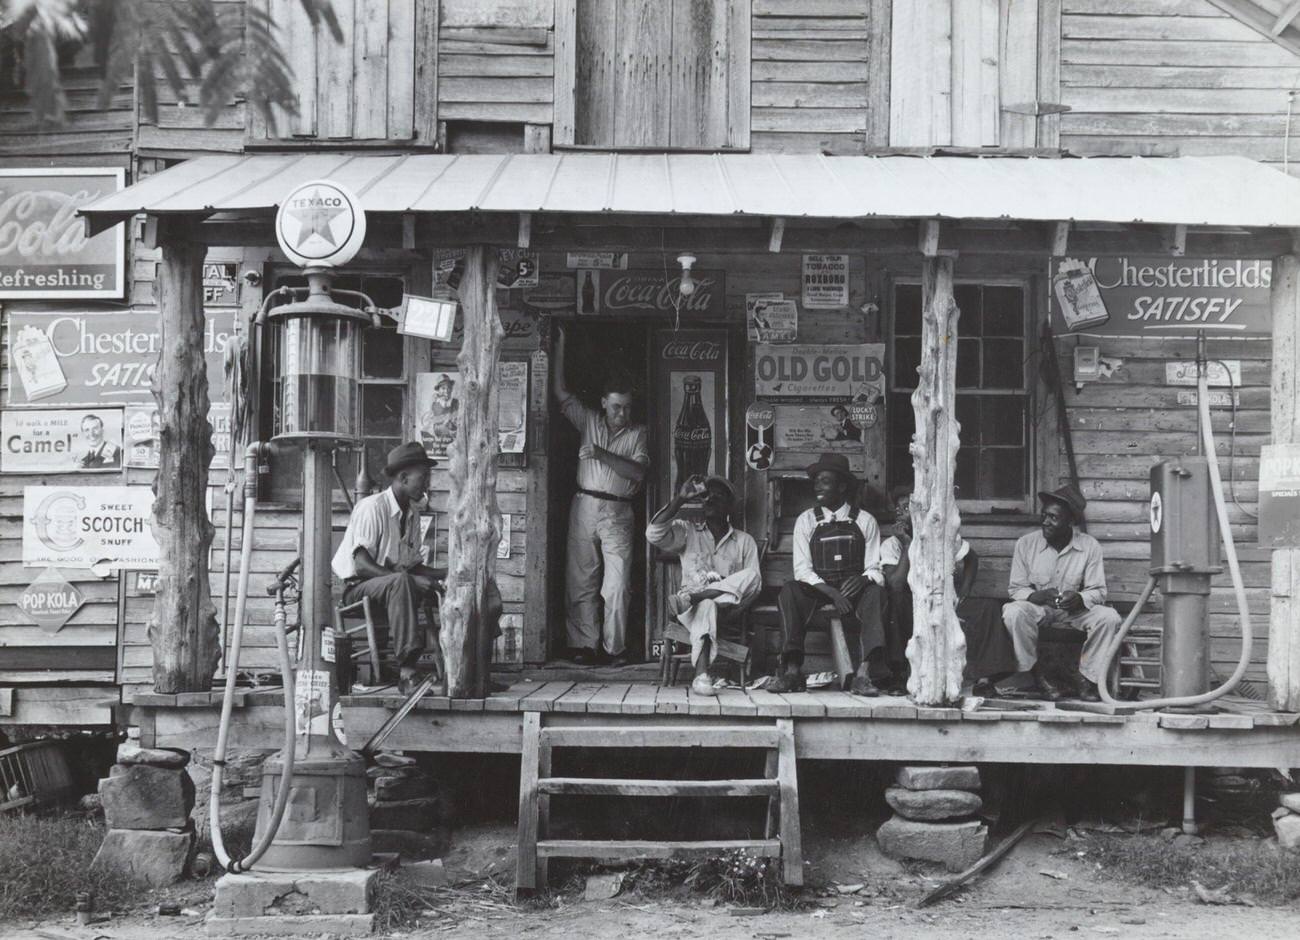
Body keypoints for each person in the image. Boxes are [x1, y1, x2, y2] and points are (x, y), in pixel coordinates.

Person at [332, 442, 502, 695]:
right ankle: (407, 673)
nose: (427, 483)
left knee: (471, 585)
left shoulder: (410, 513)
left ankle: (473, 672)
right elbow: (362, 565)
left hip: (392, 586)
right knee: (402, 581)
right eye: (423, 477)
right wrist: (408, 580)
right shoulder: (372, 507)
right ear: (403, 477)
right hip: (357, 589)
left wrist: (454, 572)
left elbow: (413, 566)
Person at [552, 325, 650, 666]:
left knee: (618, 583)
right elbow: (561, 392)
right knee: (580, 580)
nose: (621, 414)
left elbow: (637, 472)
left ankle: (615, 649)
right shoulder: (590, 420)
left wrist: (600, 454)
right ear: (604, 403)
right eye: (616, 407)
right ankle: (584, 645)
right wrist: (562, 342)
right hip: (584, 504)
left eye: (627, 408)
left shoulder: (638, 434)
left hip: (618, 510)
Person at [770, 453, 886, 695]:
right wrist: (832, 593)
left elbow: (875, 567)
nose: (817, 486)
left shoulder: (865, 521)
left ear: (842, 486)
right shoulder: (807, 520)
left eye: (825, 481)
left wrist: (863, 579)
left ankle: (863, 675)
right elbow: (802, 570)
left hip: (852, 592)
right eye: (816, 481)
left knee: (875, 593)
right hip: (820, 591)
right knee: (789, 591)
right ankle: (792, 672)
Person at [1001, 484, 1123, 702]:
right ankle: (1036, 675)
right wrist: (1033, 596)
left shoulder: (1090, 546)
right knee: (1013, 612)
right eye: (1044, 515)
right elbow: (1016, 588)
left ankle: (1088, 680)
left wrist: (1080, 598)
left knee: (1109, 618)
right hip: (1040, 610)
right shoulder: (1026, 544)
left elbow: (1098, 590)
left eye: (1053, 518)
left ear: (1070, 522)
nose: (1045, 522)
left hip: (1075, 613)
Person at [647, 474, 761, 696]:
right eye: (707, 496)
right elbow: (653, 534)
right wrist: (680, 499)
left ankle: (698, 597)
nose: (710, 500)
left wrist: (728, 603)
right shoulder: (687, 531)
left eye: (718, 497)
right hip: (690, 610)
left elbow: (754, 586)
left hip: (728, 609)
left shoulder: (744, 541)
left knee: (751, 575)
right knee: (707, 605)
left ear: (730, 506)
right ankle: (701, 676)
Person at [880, 484, 977, 688]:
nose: (899, 513)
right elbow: (896, 584)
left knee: (987, 610)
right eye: (898, 509)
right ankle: (898, 673)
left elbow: (971, 558)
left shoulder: (939, 537)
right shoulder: (891, 545)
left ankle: (984, 678)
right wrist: (907, 544)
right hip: (909, 605)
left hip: (939, 600)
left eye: (906, 508)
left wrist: (965, 591)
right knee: (894, 602)